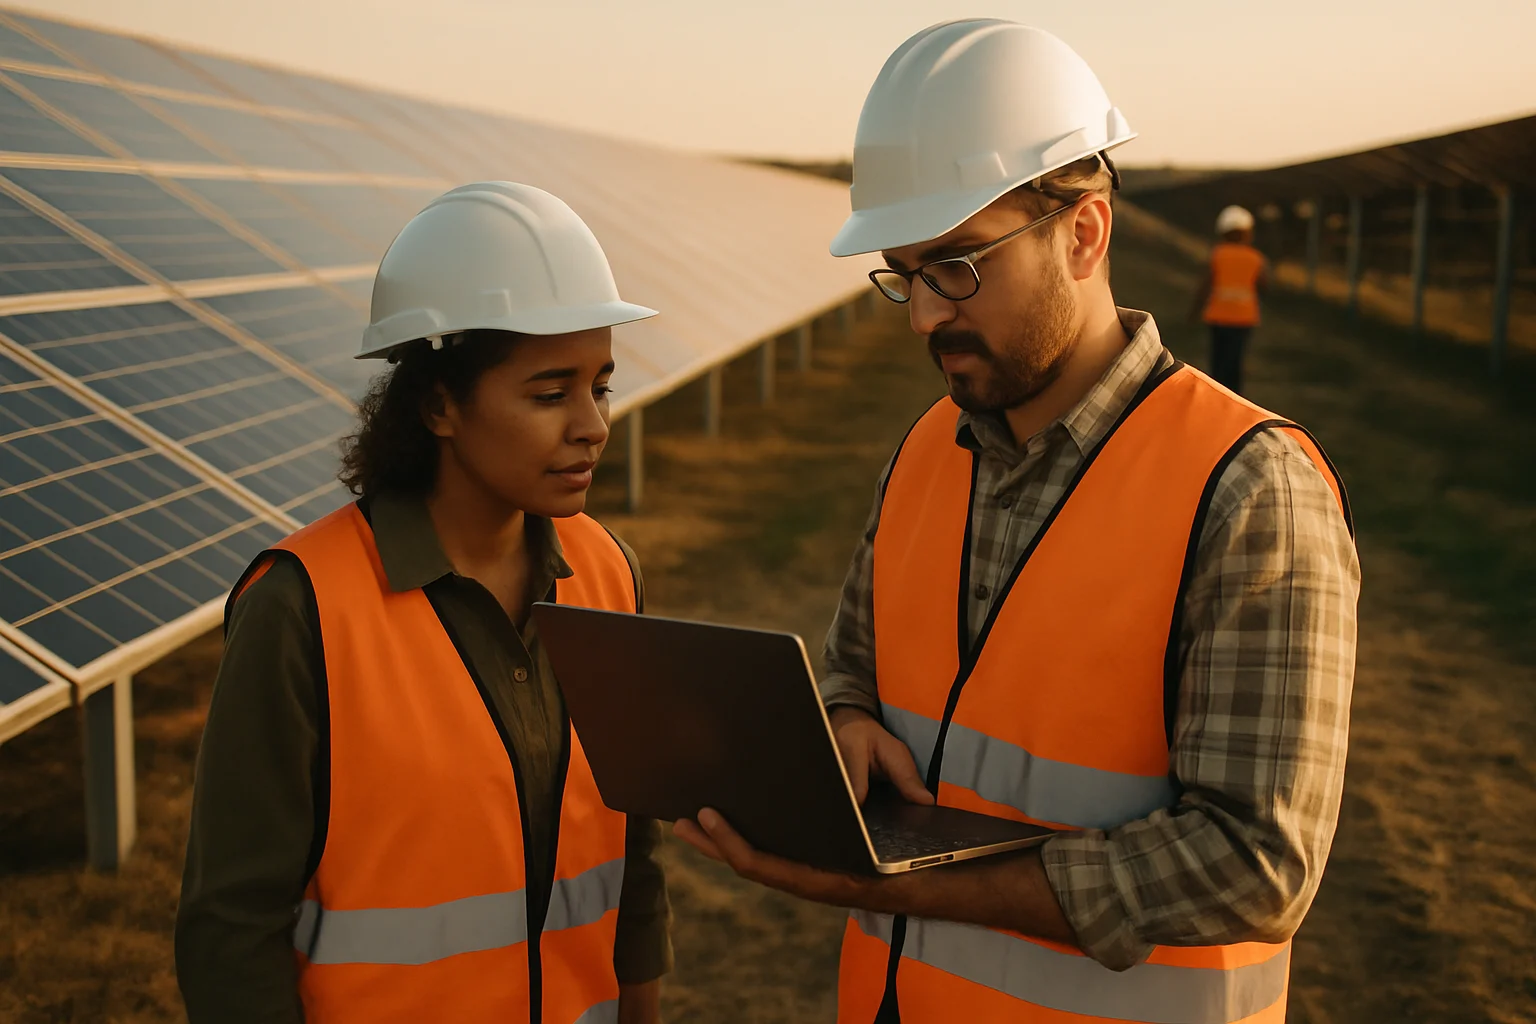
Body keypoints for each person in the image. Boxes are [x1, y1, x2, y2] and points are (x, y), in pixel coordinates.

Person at [674, 21, 1358, 1024]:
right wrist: (846, 721)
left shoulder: (1247, 488)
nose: (921, 315)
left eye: (956, 265)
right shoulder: (924, 449)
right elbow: (853, 669)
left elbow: (1252, 864)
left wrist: (889, 886)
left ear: (1083, 231)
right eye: (905, 272)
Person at [176, 182, 671, 1024]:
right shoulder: (303, 608)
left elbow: (634, 854)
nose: (592, 425)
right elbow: (232, 928)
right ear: (439, 403)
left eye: (601, 386)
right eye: (551, 393)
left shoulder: (608, 572)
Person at [1191, 204, 1269, 394]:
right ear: (1248, 233)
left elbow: (1206, 285)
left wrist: (1195, 310)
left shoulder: (1217, 254)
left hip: (1218, 316)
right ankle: (1235, 397)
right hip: (1243, 318)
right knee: (1236, 361)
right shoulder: (1256, 258)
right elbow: (1263, 286)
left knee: (1218, 360)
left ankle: (1217, 394)